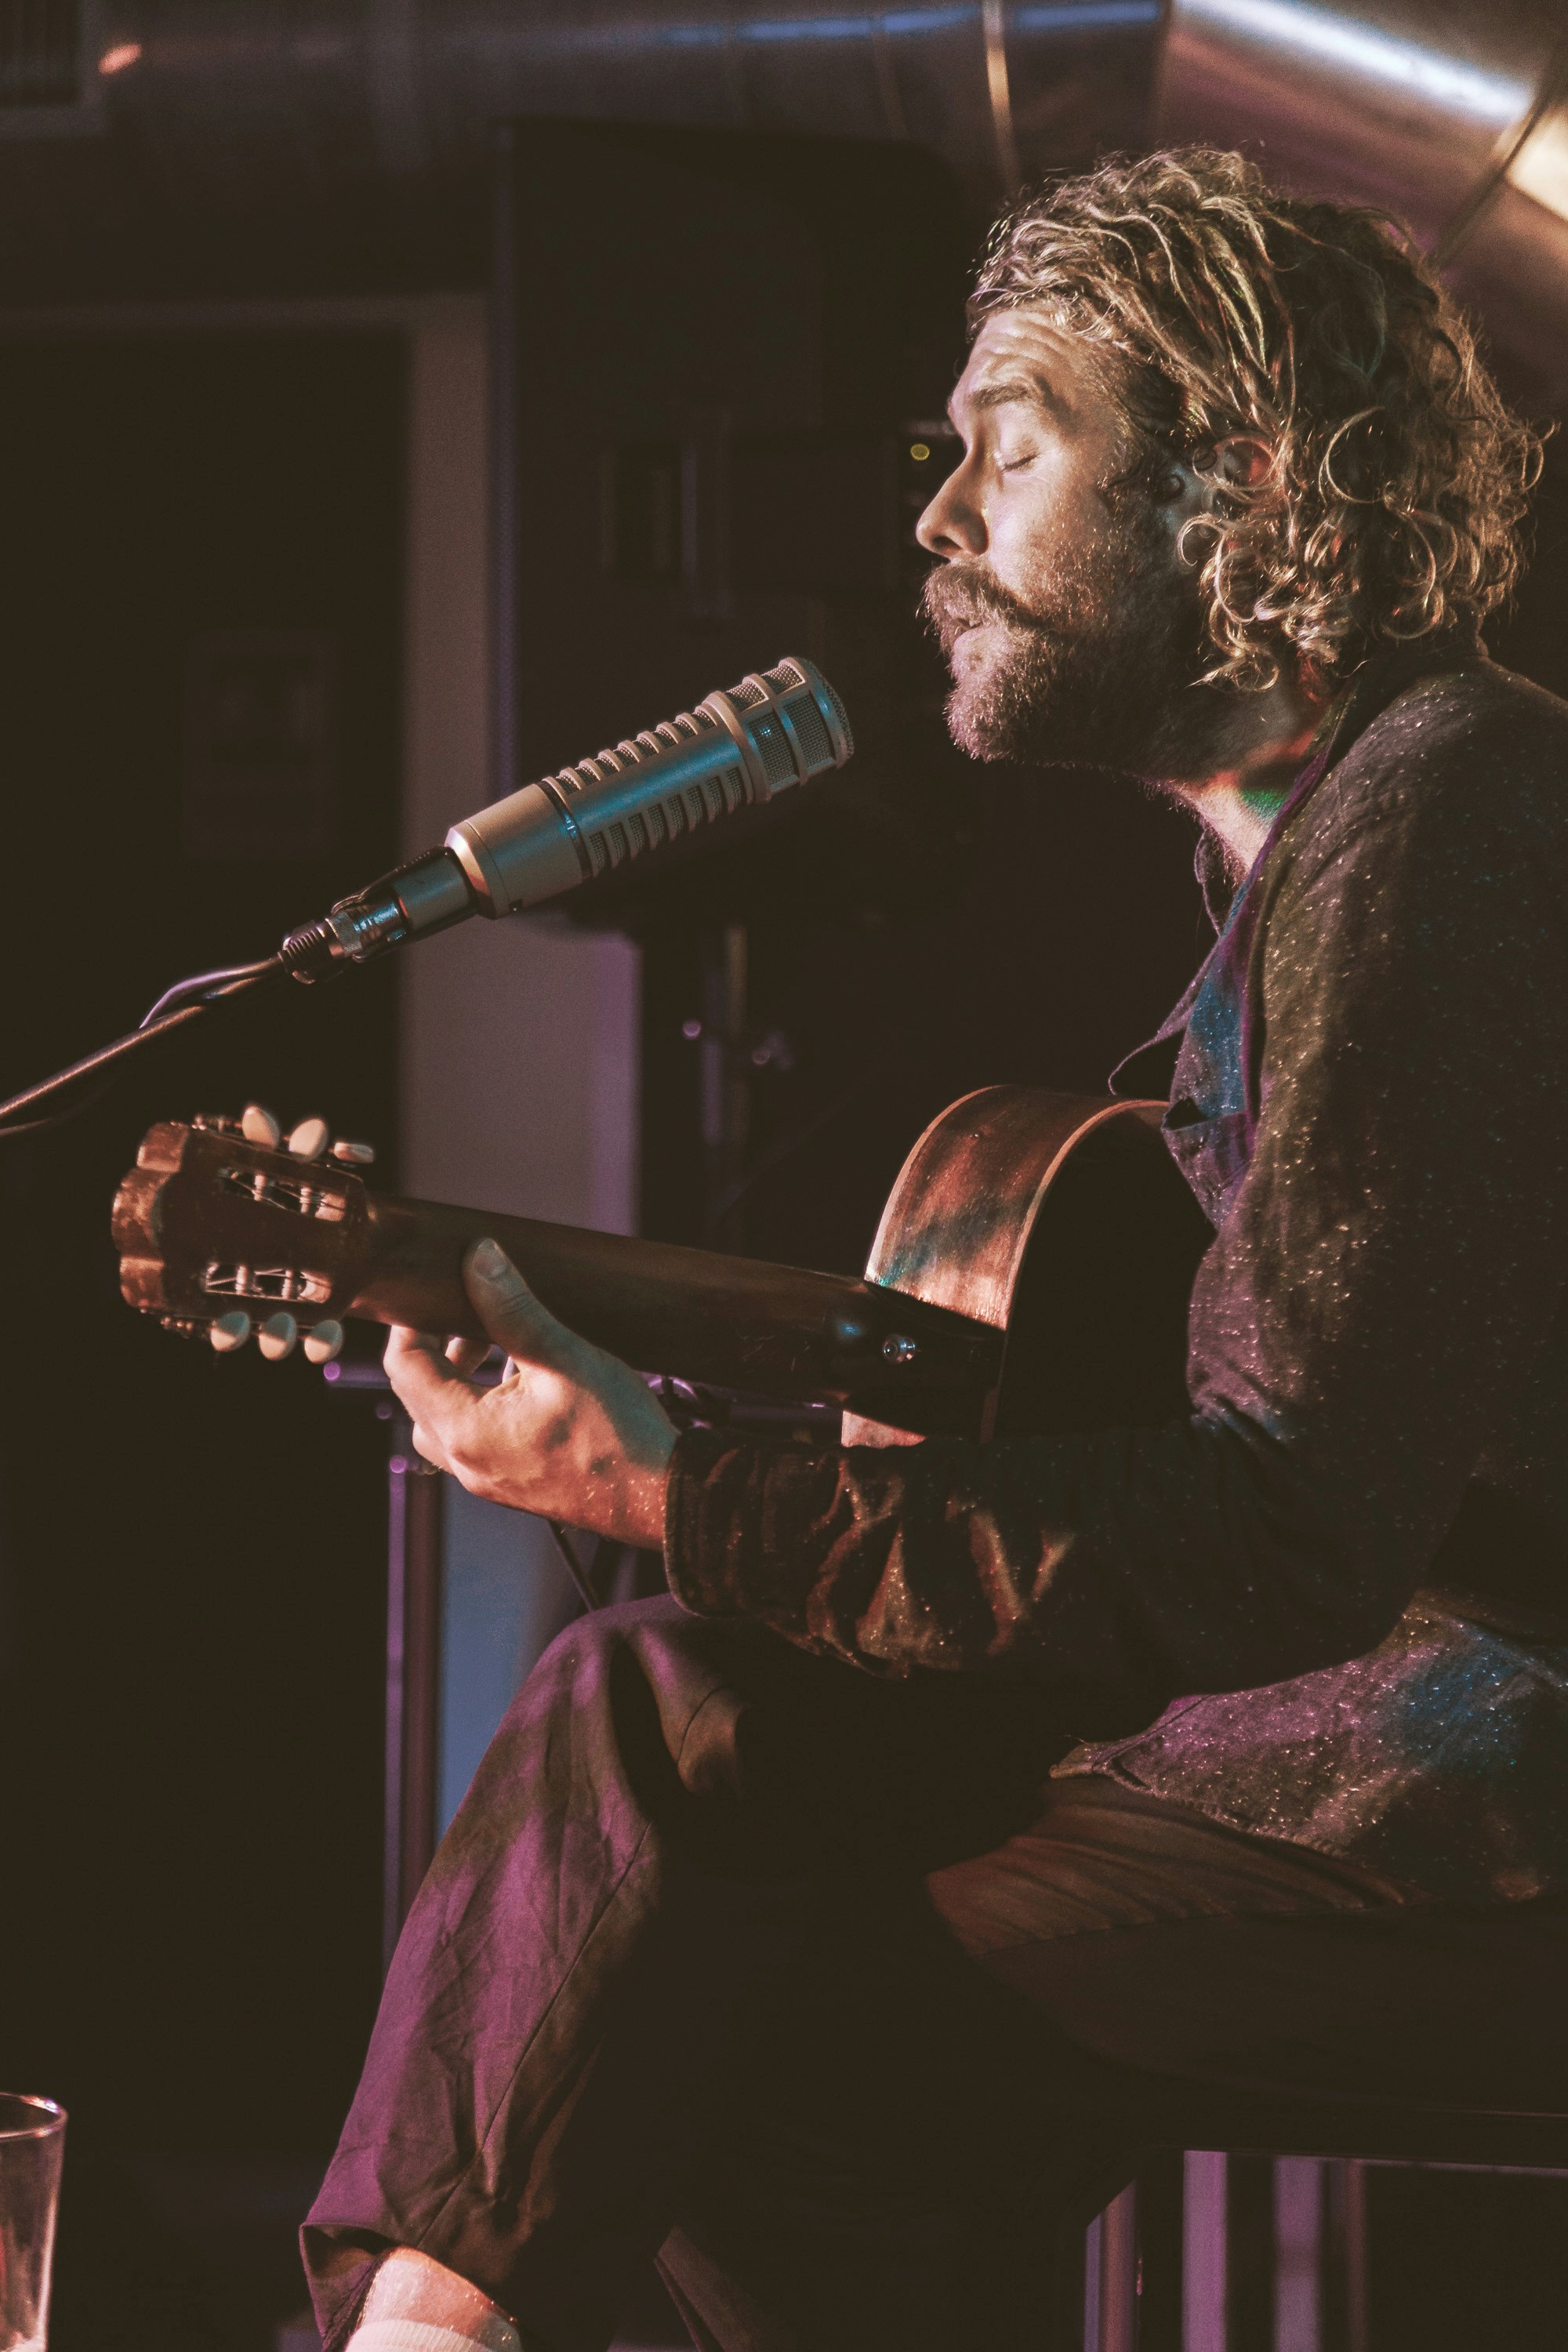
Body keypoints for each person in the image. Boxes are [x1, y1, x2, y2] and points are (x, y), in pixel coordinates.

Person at [303, 147, 1568, 2352]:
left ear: (1239, 485)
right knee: (675, 1758)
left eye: (1011, 443)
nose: (934, 523)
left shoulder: (1436, 823)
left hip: (1463, 1812)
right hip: (1310, 1769)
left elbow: (1286, 1525)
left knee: (708, 1943)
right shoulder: (1333, 864)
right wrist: (655, 1460)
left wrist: (678, 1491)